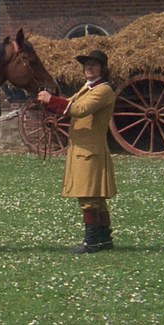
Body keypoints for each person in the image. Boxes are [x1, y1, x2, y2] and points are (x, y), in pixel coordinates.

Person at [37, 50, 116, 254]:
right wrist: (49, 101)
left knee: (88, 197)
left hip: (90, 151)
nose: (88, 68)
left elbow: (80, 109)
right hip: (83, 149)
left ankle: (92, 242)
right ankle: (104, 239)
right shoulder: (88, 88)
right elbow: (71, 103)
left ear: (103, 69)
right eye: (86, 64)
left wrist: (51, 100)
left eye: (93, 64)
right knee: (96, 198)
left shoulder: (103, 90)